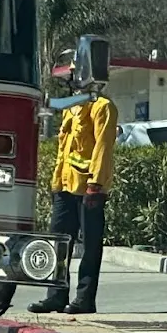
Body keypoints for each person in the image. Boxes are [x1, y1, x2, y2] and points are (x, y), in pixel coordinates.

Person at [29, 75, 118, 315]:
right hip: (66, 186)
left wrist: (96, 185)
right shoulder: (71, 108)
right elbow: (64, 149)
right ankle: (56, 295)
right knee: (58, 242)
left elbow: (102, 148)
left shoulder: (103, 107)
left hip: (89, 188)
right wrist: (56, 183)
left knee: (90, 246)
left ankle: (85, 299)